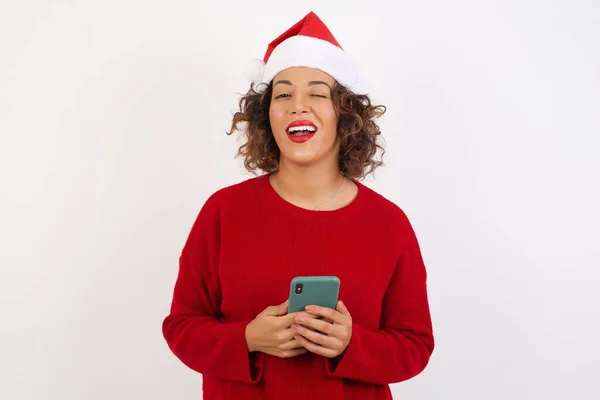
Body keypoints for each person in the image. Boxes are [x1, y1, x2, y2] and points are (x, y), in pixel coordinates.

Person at [162, 11, 434, 400]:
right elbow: (181, 328)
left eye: (318, 95)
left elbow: (416, 346)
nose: (297, 106)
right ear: (265, 115)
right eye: (283, 94)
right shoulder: (223, 211)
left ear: (346, 116)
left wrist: (352, 344)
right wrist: (247, 339)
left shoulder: (388, 224)